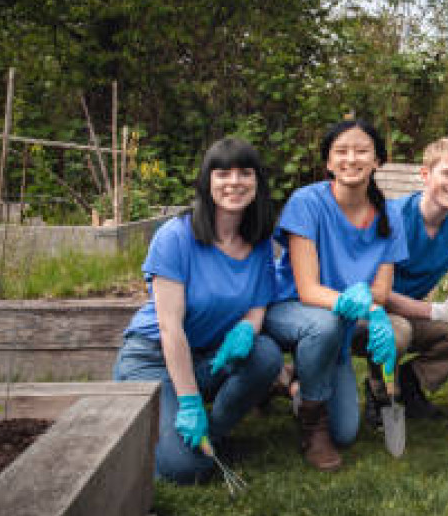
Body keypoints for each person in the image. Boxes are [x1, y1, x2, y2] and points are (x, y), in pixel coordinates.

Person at [113, 137, 282, 484]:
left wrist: (248, 328)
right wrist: (190, 402)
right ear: (207, 182)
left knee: (265, 354)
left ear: (257, 183)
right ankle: (183, 434)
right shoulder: (176, 236)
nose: (234, 182)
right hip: (154, 358)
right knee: (184, 471)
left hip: (209, 357)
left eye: (244, 173)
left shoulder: (260, 241)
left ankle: (214, 435)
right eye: (222, 174)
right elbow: (170, 329)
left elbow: (258, 301)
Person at [264, 119, 407, 471]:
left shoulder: (389, 215)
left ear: (377, 161)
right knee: (325, 323)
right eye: (341, 152)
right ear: (328, 162)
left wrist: (373, 307)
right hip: (289, 308)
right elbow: (308, 289)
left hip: (336, 321)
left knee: (346, 432)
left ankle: (289, 382)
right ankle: (313, 426)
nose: (351, 159)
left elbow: (382, 289)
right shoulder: (307, 203)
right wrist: (359, 306)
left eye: (362, 151)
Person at [381, 137, 448, 420]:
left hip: (415, 313)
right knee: (398, 332)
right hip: (372, 313)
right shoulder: (391, 217)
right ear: (425, 174)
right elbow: (377, 292)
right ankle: (379, 392)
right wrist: (436, 310)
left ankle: (413, 380)